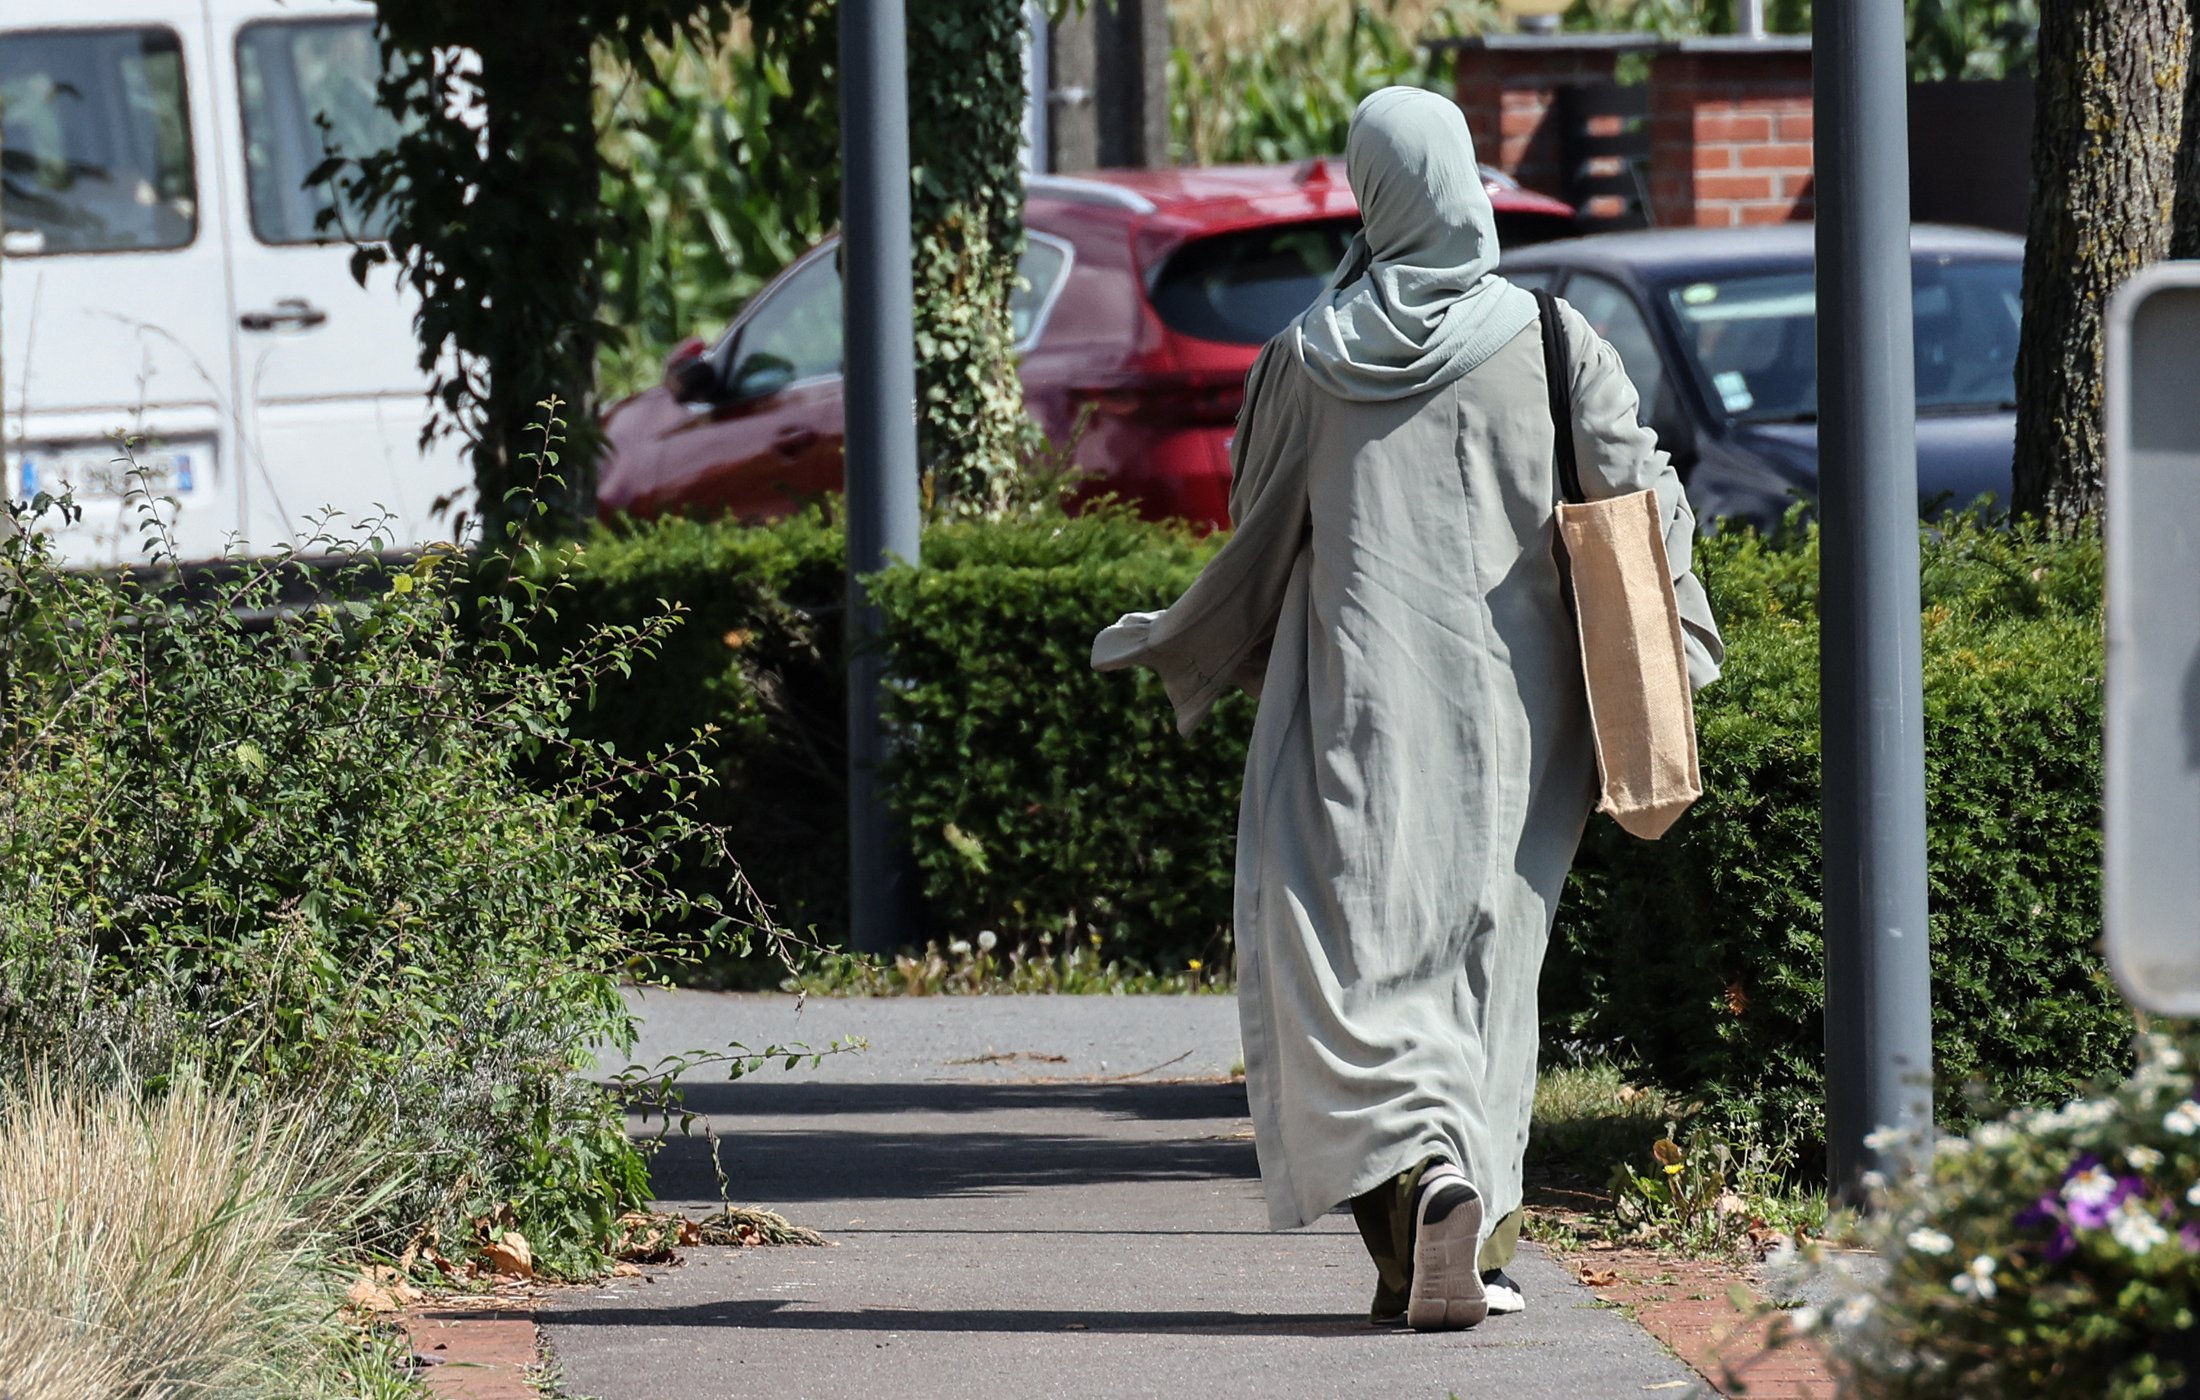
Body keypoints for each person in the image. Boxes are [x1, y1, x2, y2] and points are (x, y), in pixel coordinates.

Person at [1090, 87, 1723, 1332]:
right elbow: (1643, 499)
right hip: (1523, 725)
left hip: (1353, 711)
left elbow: (1255, 522)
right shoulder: (1553, 338)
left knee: (1350, 967)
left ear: (1374, 194)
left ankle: (1412, 1208)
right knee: (1489, 962)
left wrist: (1189, 638)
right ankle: (1472, 1225)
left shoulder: (1308, 356)